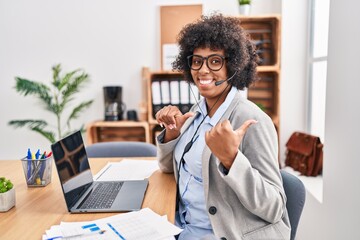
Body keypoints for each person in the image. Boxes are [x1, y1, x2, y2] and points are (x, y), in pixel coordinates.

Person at [155, 14, 290, 240]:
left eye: (215, 61)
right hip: (183, 227)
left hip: (220, 234)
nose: (203, 70)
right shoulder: (196, 111)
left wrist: (232, 160)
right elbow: (169, 170)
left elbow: (274, 207)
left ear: (234, 66)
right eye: (197, 61)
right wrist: (172, 135)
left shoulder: (252, 119)